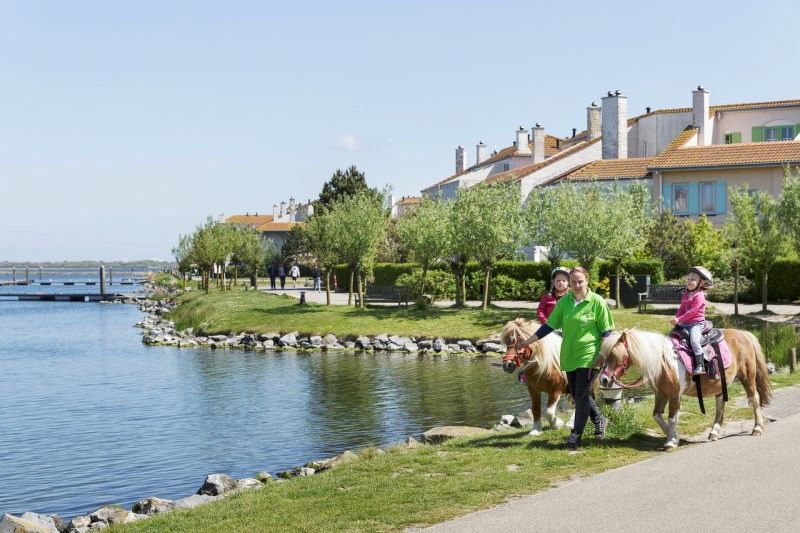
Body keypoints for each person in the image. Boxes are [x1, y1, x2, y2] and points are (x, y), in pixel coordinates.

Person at [517, 266, 614, 450]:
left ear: (587, 281)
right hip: (569, 355)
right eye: (573, 282)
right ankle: (599, 419)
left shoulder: (597, 302)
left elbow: (607, 331)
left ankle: (575, 436)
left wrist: (602, 354)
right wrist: (528, 341)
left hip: (589, 355)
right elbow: (549, 326)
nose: (576, 285)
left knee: (582, 394)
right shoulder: (565, 302)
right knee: (578, 395)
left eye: (580, 282)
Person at [671, 266, 712, 376]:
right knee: (672, 335)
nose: (689, 281)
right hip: (685, 323)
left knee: (694, 341)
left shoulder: (699, 296)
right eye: (688, 279)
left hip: (696, 324)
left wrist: (679, 319)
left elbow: (692, 312)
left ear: (702, 283)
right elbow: (682, 308)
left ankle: (700, 364)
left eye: (693, 279)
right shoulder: (686, 294)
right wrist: (677, 319)